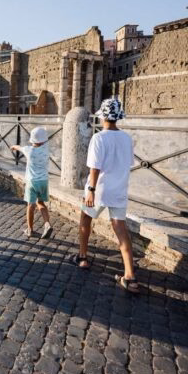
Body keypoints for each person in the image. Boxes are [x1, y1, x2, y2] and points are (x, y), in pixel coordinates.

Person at [72, 98, 139, 293]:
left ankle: (83, 257)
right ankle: (130, 276)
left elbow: (95, 168)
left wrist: (91, 190)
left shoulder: (99, 138)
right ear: (118, 118)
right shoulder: (127, 138)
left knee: (85, 219)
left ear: (102, 117)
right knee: (120, 228)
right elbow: (128, 164)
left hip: (100, 188)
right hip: (119, 188)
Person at [11, 127, 53, 239]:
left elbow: (19, 147)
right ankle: (47, 224)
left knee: (31, 205)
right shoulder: (46, 149)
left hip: (32, 181)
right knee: (41, 203)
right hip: (44, 181)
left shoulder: (29, 150)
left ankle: (30, 230)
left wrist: (13, 147)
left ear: (32, 140)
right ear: (44, 141)